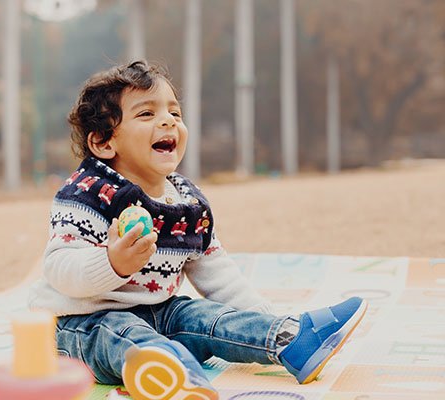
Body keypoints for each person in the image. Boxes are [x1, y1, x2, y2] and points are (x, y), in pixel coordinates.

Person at [28, 60, 367, 400]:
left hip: (160, 312)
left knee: (203, 315)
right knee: (123, 332)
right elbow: (59, 268)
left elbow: (218, 273)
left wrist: (260, 318)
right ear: (103, 143)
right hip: (82, 326)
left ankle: (291, 339)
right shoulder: (88, 192)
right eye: (146, 114)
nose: (167, 121)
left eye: (174, 114)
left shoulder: (186, 203)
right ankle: (176, 376)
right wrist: (112, 263)